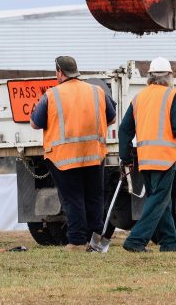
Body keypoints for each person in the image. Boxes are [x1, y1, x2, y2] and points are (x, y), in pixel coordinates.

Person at [30, 56, 116, 251]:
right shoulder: (97, 91)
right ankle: (95, 243)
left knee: (73, 198)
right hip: (94, 155)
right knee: (94, 198)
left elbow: (36, 123)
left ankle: (77, 241)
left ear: (59, 72)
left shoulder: (52, 95)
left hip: (64, 158)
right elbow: (111, 118)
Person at [118, 57, 176, 253]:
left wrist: (126, 157)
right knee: (158, 200)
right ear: (169, 76)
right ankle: (136, 241)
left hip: (146, 159)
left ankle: (170, 243)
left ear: (150, 77)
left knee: (161, 202)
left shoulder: (139, 98)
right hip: (165, 158)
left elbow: (124, 129)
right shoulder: (172, 95)